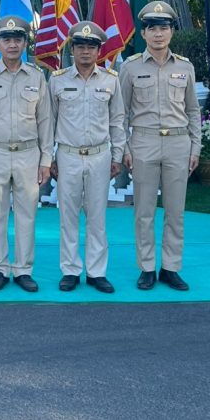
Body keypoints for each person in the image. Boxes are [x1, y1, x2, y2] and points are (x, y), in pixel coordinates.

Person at [119, 1, 201, 291]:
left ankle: (170, 267)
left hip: (178, 142)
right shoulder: (130, 67)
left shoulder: (185, 67)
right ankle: (147, 268)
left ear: (171, 32)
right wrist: (125, 148)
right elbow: (121, 113)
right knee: (144, 211)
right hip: (144, 141)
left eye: (163, 28)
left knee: (175, 211)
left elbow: (193, 110)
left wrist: (195, 147)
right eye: (152, 28)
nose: (158, 34)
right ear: (143, 33)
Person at [0, 15, 52, 293]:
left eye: (18, 39)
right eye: (6, 40)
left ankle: (23, 269)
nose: (12, 45)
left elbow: (45, 121)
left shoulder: (36, 76)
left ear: (25, 43)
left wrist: (46, 159)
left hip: (28, 153)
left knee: (27, 214)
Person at [47, 22, 124, 294]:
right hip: (67, 155)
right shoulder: (57, 80)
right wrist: (49, 157)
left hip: (99, 155)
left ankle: (96, 272)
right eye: (80, 46)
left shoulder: (111, 80)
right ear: (72, 49)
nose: (85, 52)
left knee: (97, 217)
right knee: (68, 217)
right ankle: (70, 270)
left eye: (91, 47)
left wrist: (118, 155)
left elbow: (117, 120)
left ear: (99, 51)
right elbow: (49, 121)